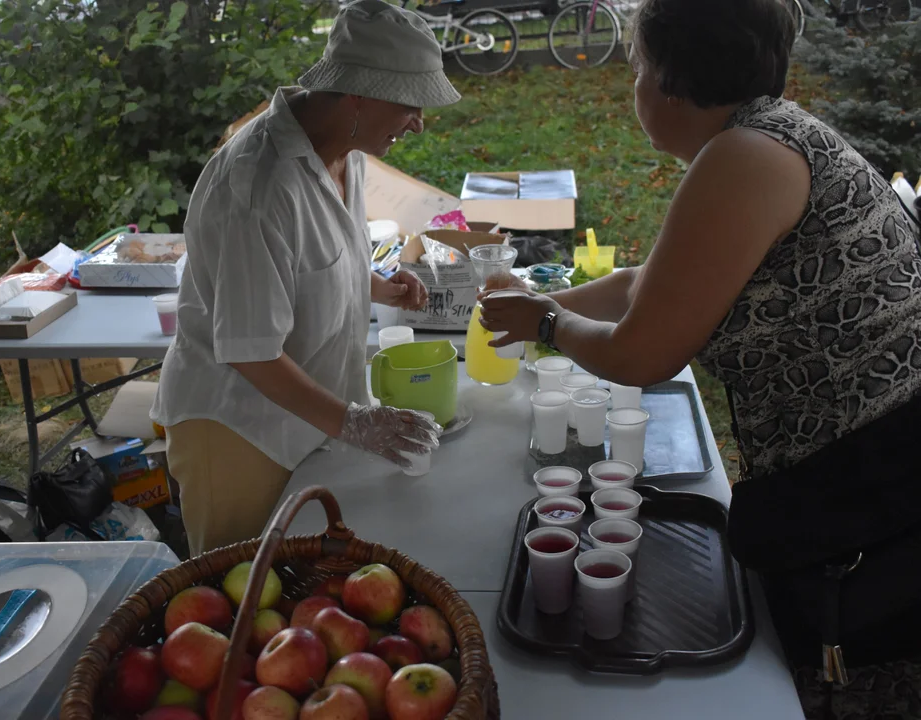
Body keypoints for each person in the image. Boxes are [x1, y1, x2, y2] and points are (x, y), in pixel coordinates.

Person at [479, 0, 921, 715]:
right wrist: (537, 301)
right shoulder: (765, 137)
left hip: (874, 497)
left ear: (671, 80)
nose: (634, 86)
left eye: (636, 67)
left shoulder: (746, 158)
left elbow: (642, 354)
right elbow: (641, 286)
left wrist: (548, 323)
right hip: (866, 471)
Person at [151, 0, 459, 556]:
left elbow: (319, 252)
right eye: (411, 104)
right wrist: (356, 423)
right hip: (237, 431)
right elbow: (250, 351)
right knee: (239, 590)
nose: (419, 121)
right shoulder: (258, 186)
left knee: (304, 589)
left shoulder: (351, 148)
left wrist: (375, 284)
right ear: (359, 93)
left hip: (313, 416)